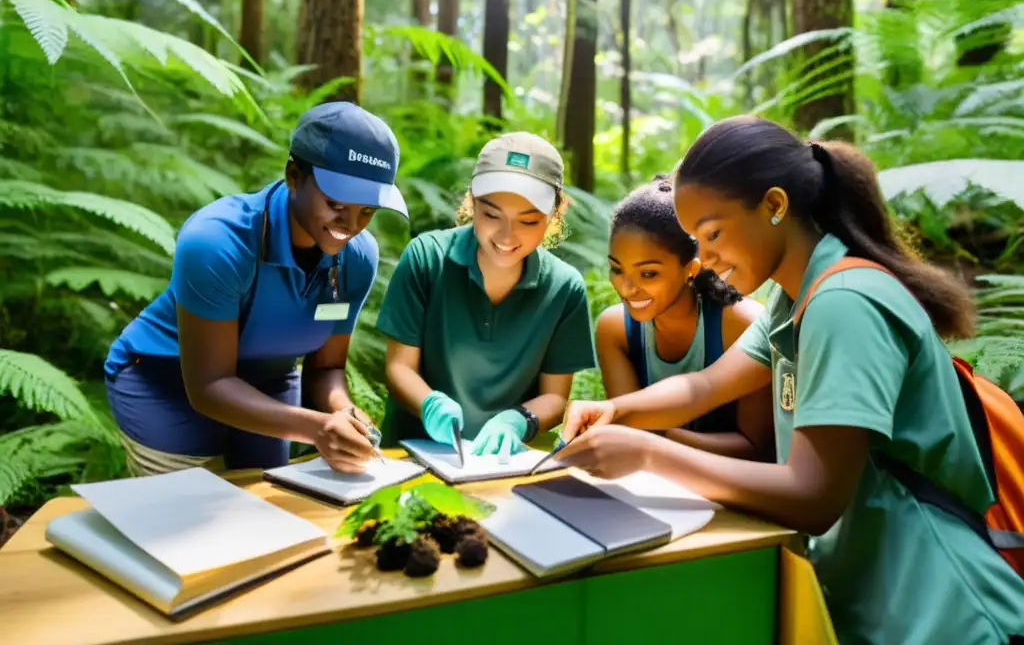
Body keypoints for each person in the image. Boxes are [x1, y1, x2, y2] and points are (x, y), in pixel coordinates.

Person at [556, 116, 1024, 644]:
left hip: (944, 610)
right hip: (875, 604)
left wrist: (647, 454)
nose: (703, 259)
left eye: (712, 234)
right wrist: (621, 412)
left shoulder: (845, 305)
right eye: (693, 240)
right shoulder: (796, 296)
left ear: (775, 206)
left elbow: (813, 495)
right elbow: (705, 386)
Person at [104, 102, 409, 477]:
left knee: (266, 511)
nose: (351, 225)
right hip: (165, 385)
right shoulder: (216, 241)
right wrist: (316, 428)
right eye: (335, 204)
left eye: (367, 211)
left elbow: (326, 367)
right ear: (294, 176)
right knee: (181, 523)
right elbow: (209, 385)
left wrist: (343, 412)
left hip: (269, 384)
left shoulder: (358, 258)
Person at [376, 132, 597, 460]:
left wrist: (518, 421)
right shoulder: (426, 258)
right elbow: (399, 368)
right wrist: (430, 405)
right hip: (407, 459)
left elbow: (555, 398)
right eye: (492, 215)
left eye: (528, 220)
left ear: (555, 213)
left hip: (502, 465)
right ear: (472, 202)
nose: (507, 236)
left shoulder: (564, 288)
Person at [595, 175, 773, 460]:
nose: (626, 288)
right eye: (617, 269)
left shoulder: (742, 325)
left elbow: (756, 449)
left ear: (690, 269)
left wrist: (660, 434)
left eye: (648, 273)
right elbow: (625, 428)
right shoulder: (615, 330)